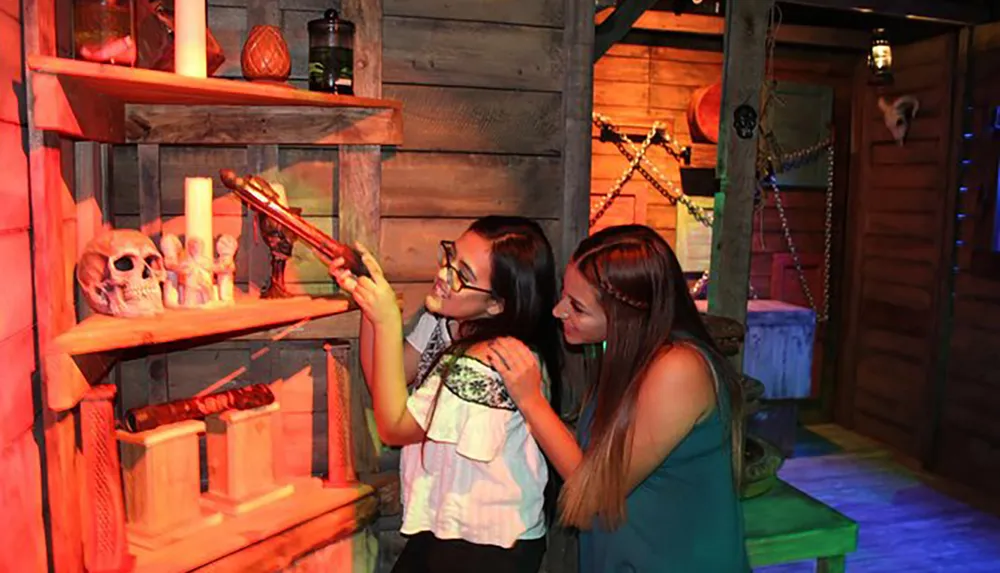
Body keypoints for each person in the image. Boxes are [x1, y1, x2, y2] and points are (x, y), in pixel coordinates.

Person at [485, 224, 750, 573]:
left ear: (628, 318)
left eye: (577, 307)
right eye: (564, 295)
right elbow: (592, 460)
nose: (559, 311)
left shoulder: (679, 370)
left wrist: (530, 399)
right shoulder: (625, 359)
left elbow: (594, 494)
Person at [329, 216, 563, 573]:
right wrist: (373, 306)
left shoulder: (489, 361)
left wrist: (389, 320)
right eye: (450, 256)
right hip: (449, 526)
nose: (444, 273)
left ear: (496, 305)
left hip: (491, 543)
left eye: (463, 275)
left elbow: (393, 427)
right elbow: (383, 378)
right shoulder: (448, 320)